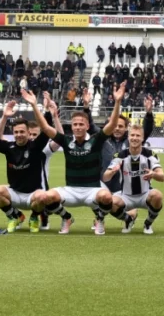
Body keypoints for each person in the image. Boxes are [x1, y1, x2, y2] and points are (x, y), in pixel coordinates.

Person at [25, 82, 125, 235]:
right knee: (47, 196)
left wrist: (117, 101)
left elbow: (111, 125)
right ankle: (66, 218)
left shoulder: (95, 140)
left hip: (93, 190)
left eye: (81, 124)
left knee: (106, 197)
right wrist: (34, 105)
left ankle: (100, 219)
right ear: (71, 127)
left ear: (87, 126)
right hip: (71, 190)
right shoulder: (66, 141)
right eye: (75, 124)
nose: (78, 127)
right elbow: (45, 128)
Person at [0, 98, 58, 234]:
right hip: (15, 193)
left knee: (43, 196)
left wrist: (47, 111)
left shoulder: (35, 147)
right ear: (13, 134)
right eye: (16, 132)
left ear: (27, 132)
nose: (19, 135)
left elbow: (46, 129)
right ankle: (14, 217)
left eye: (22, 132)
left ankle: (34, 217)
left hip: (32, 195)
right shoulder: (9, 147)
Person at [102, 124, 164, 234]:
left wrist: (153, 174)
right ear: (128, 137)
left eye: (137, 135)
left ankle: (148, 223)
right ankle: (128, 220)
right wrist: (112, 171)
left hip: (145, 194)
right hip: (125, 195)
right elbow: (105, 177)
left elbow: (162, 176)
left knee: (158, 195)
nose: (134, 138)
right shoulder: (120, 155)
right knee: (109, 203)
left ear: (142, 138)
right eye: (132, 135)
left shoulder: (150, 154)